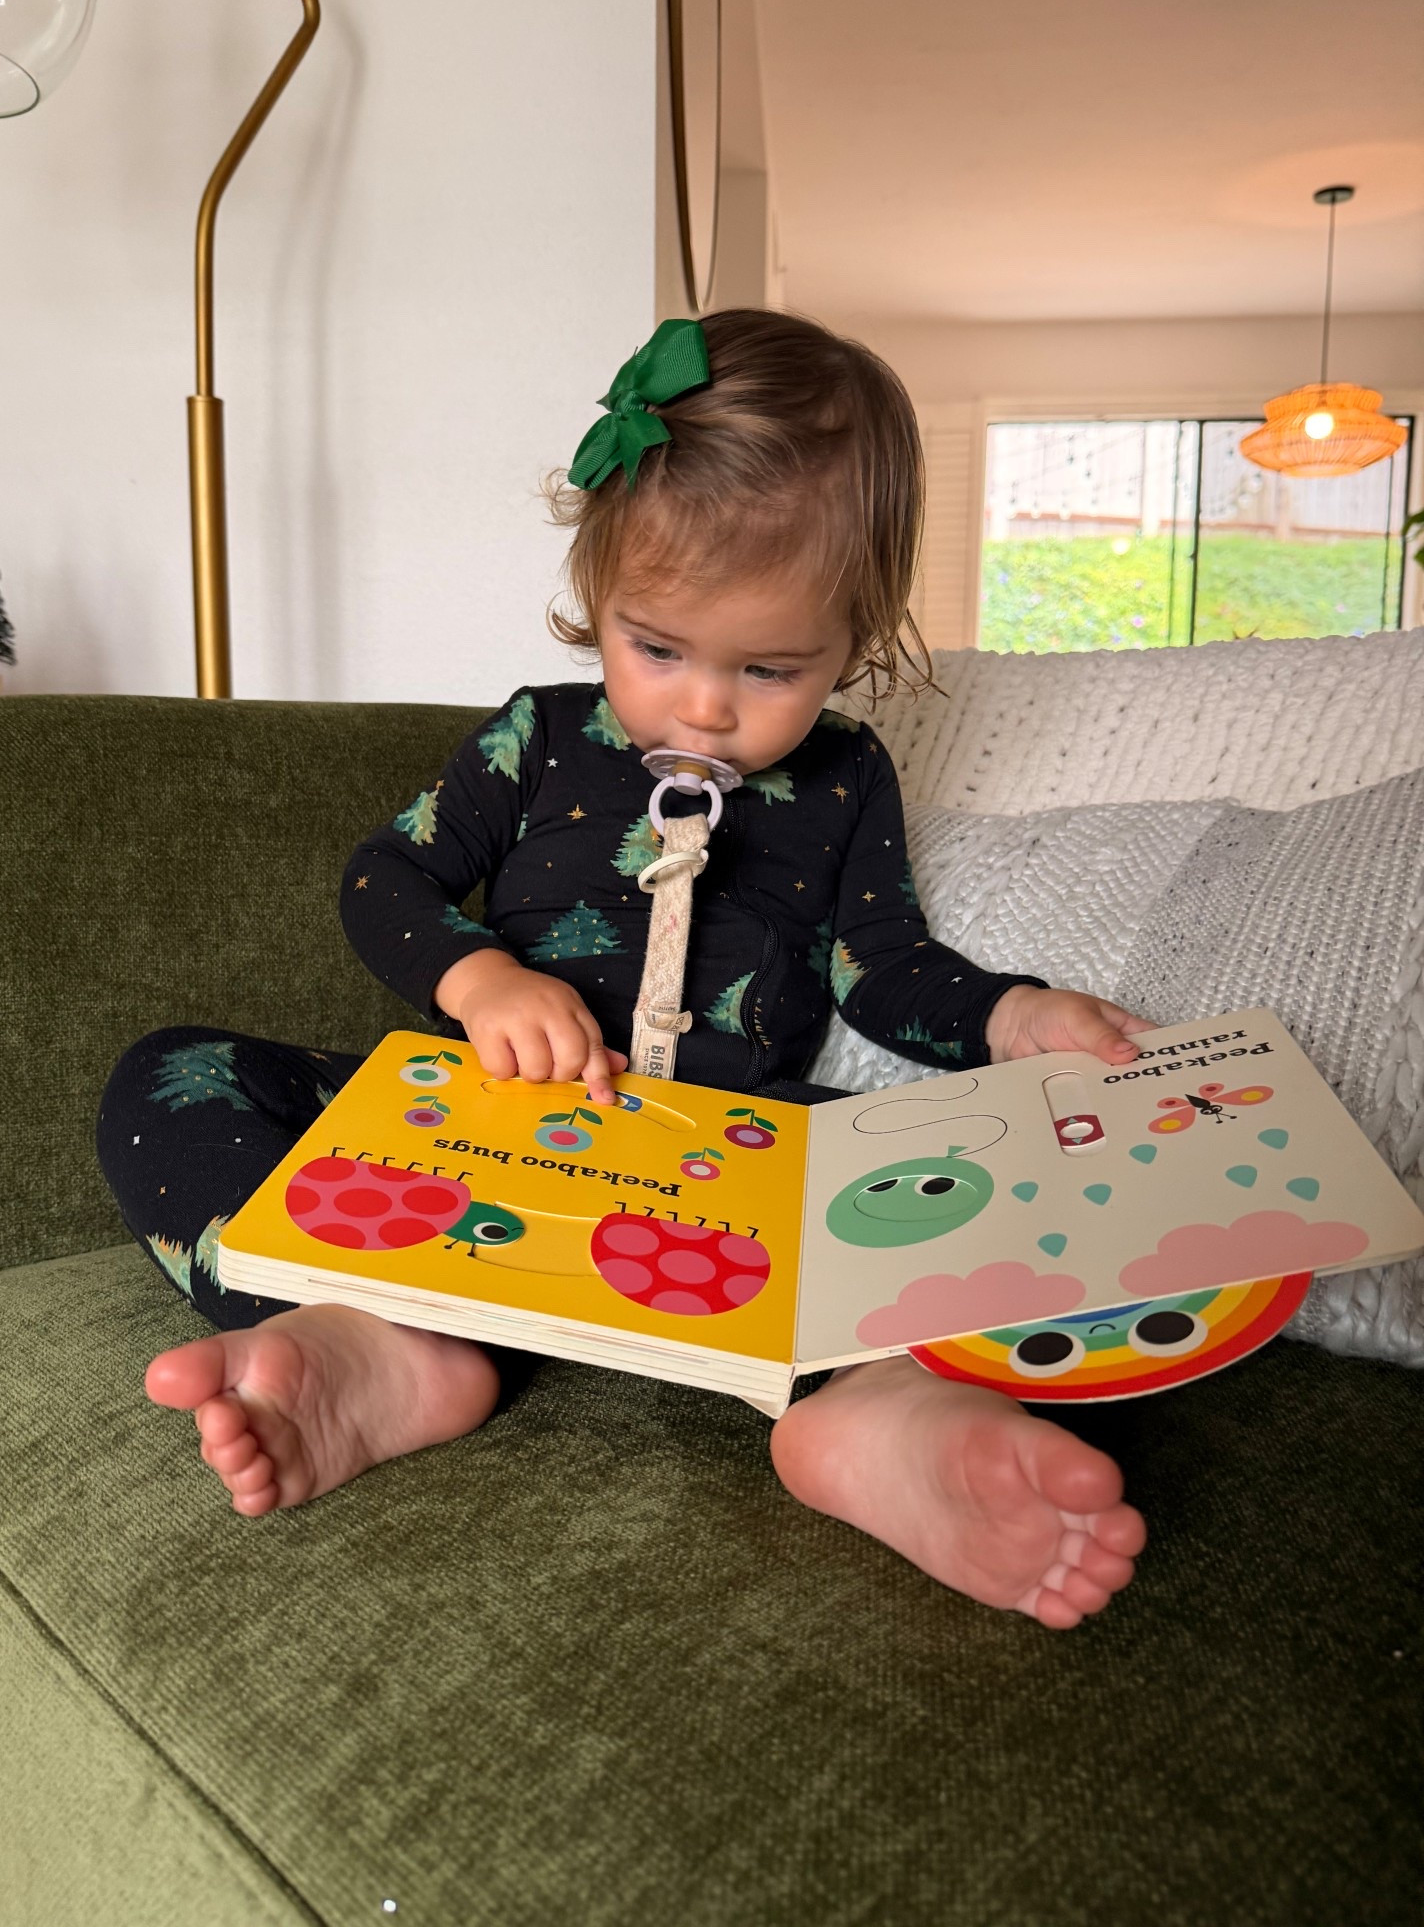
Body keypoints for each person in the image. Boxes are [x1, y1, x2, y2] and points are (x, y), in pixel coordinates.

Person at [97, 310, 1149, 1629]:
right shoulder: (539, 740)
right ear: (598, 593)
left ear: (858, 632)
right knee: (171, 1076)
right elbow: (386, 878)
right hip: (478, 1150)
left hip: (731, 1166)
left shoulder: (844, 778)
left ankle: (876, 1414)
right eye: (658, 648)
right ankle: (375, 1331)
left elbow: (883, 971)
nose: (705, 706)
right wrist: (479, 983)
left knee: (954, 1191)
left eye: (771, 669)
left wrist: (1011, 1015)